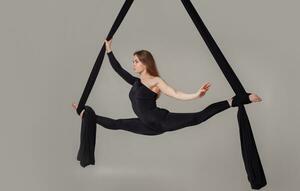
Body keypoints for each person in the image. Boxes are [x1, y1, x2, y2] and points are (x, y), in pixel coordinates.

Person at [72, 38, 262, 135]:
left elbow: (176, 93)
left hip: (160, 121)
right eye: (133, 61)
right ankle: (86, 116)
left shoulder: (156, 82)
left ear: (146, 63)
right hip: (146, 126)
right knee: (118, 124)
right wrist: (109, 50)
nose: (133, 64)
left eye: (136, 61)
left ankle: (237, 100)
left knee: (197, 118)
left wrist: (196, 94)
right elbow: (118, 69)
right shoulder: (136, 82)